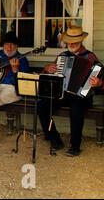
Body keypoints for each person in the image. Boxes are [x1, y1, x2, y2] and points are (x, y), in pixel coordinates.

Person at [37, 26, 103, 157]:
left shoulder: (90, 57)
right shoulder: (63, 56)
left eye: (75, 42)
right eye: (69, 42)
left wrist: (99, 83)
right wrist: (47, 68)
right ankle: (54, 140)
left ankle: (75, 146)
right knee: (42, 106)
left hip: (82, 96)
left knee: (76, 108)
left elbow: (101, 79)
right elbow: (50, 72)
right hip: (63, 94)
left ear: (81, 41)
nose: (71, 44)